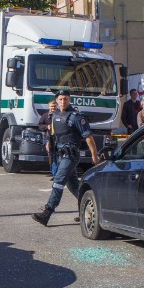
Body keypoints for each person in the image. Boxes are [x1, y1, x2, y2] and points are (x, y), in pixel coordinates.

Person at [32, 90, 99, 226]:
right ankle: (92, 209)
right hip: (59, 154)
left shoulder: (76, 117)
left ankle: (47, 213)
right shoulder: (55, 115)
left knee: (58, 181)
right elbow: (54, 134)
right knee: (74, 186)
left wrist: (94, 155)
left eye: (66, 99)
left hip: (71, 155)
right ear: (57, 100)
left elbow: (88, 136)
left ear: (70, 100)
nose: (63, 102)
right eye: (61, 99)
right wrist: (49, 143)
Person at [38, 99, 59, 174]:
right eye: (51, 106)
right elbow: (40, 126)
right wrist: (47, 127)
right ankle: (54, 173)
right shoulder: (45, 116)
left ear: (57, 106)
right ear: (49, 107)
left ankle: (55, 174)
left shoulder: (60, 114)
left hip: (58, 138)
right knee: (51, 156)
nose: (53, 108)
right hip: (48, 138)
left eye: (54, 106)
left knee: (57, 156)